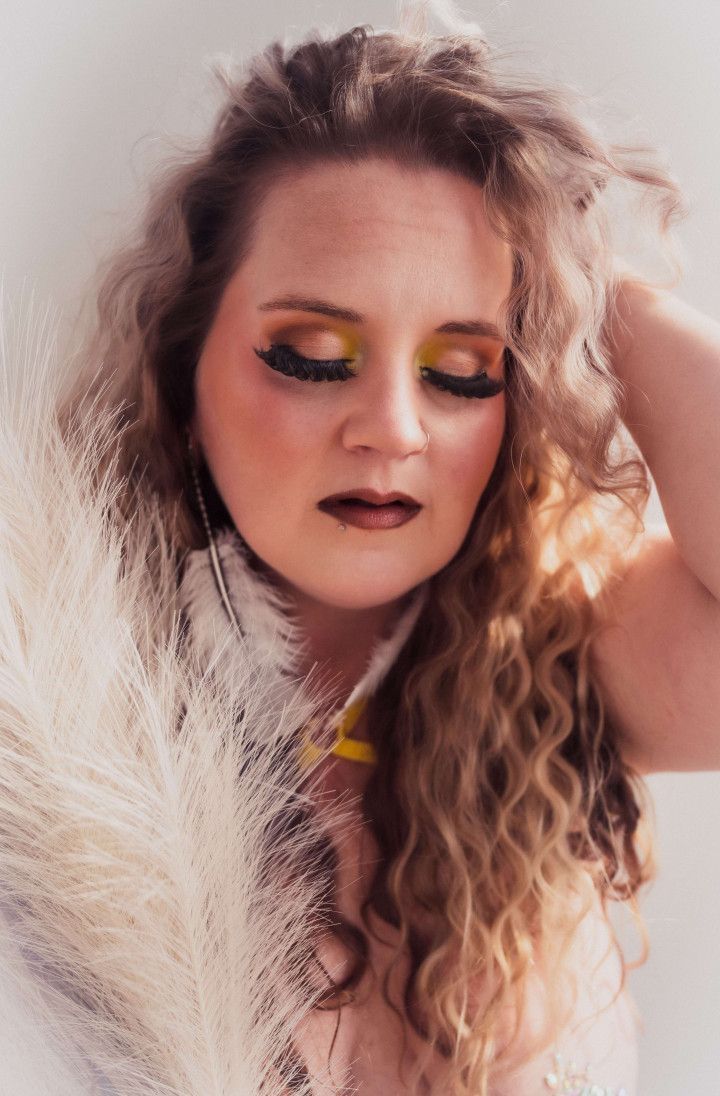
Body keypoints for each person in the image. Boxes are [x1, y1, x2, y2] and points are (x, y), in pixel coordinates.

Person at [0, 5, 718, 1095]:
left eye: (463, 367)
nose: (393, 426)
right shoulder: (41, 696)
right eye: (312, 355)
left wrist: (590, 293)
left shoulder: (556, 650)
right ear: (183, 380)